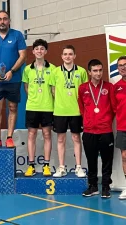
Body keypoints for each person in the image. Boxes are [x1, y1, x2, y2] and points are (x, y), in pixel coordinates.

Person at [0, 10, 26, 149]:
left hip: (13, 79)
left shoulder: (17, 35)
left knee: (12, 107)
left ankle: (9, 137)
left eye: (5, 19)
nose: (2, 21)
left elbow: (22, 56)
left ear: (9, 21)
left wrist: (12, 71)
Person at [78, 59, 115, 198]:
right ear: (89, 72)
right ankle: (93, 186)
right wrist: (88, 120)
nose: (98, 73)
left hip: (105, 131)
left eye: (100, 70)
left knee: (107, 161)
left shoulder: (109, 87)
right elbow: (81, 107)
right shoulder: (83, 88)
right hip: (89, 131)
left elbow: (113, 109)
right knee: (91, 160)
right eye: (95, 70)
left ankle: (106, 187)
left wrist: (105, 121)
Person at [49, 45, 87, 178]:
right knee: (61, 139)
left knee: (76, 138)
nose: (67, 56)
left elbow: (84, 92)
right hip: (60, 111)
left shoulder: (81, 72)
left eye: (70, 54)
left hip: (76, 111)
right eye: (65, 54)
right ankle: (61, 167)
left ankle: (78, 167)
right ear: (61, 56)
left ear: (75, 56)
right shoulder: (55, 72)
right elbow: (53, 91)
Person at [22, 39, 56, 177]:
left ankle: (46, 165)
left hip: (47, 107)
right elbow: (26, 87)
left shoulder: (53, 68)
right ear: (33, 51)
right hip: (32, 107)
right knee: (32, 135)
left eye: (42, 49)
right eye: (37, 49)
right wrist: (34, 98)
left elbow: (54, 90)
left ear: (46, 51)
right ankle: (31, 166)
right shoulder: (27, 69)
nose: (39, 51)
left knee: (47, 135)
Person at [113, 55, 126, 200]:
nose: (123, 67)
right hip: (123, 127)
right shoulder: (116, 88)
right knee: (124, 156)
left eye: (125, 64)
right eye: (120, 65)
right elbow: (116, 108)